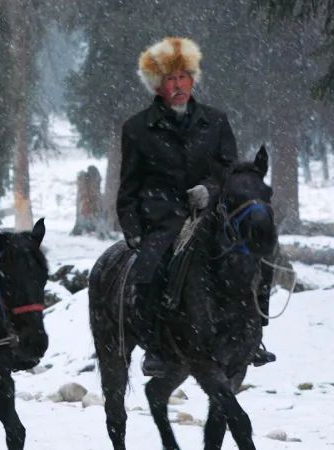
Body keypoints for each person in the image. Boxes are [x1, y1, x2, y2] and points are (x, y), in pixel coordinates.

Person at [117, 37, 275, 377]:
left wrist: (210, 190)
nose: (178, 85)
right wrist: (132, 230)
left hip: (213, 214)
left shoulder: (216, 122)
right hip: (161, 219)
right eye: (170, 79)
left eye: (183, 77)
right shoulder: (136, 129)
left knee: (257, 258)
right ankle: (156, 347)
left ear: (192, 80)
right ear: (157, 86)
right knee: (149, 271)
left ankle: (253, 336)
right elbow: (129, 187)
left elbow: (231, 171)